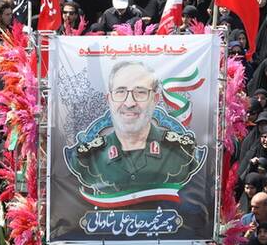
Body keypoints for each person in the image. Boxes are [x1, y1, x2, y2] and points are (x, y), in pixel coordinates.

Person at [67, 61, 202, 194]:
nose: (129, 103)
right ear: (109, 99)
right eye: (120, 91)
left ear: (155, 99)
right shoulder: (86, 158)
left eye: (140, 92)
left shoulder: (184, 153)